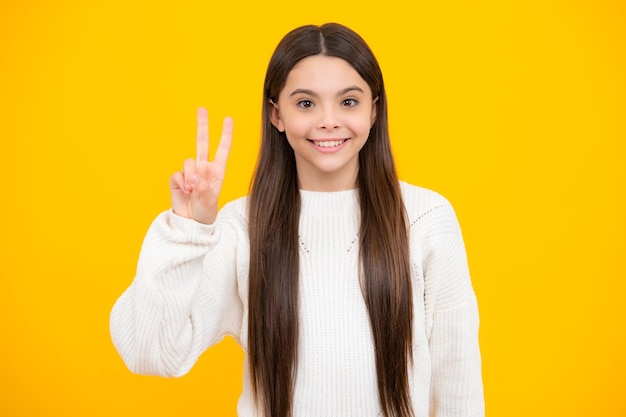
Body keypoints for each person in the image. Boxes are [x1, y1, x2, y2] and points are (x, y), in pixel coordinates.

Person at [110, 23, 484, 417]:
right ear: (277, 115)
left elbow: (458, 382)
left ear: (374, 111)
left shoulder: (425, 219)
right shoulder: (241, 227)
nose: (328, 121)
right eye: (306, 103)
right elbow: (150, 353)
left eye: (349, 102)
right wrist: (187, 229)